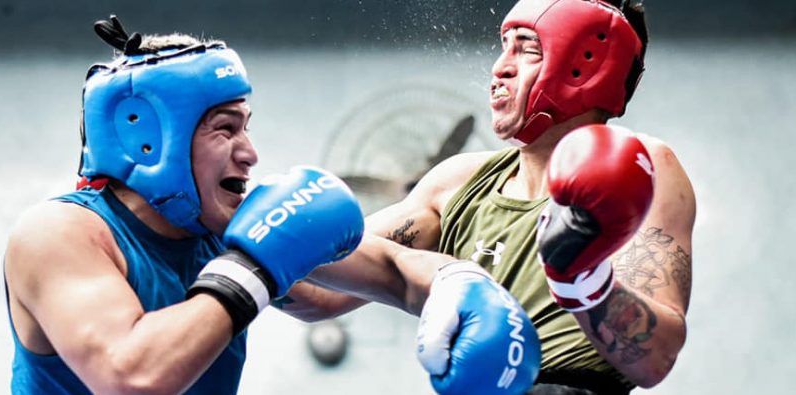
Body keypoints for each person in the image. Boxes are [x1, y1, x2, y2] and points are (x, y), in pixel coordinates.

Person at [281, 0, 695, 394]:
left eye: (527, 48)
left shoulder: (644, 168)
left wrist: (583, 280)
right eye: (504, 47)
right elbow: (317, 291)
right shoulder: (457, 181)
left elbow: (654, 359)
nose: (500, 69)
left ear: (587, 64)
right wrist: (234, 231)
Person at [2, 16, 368, 394]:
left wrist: (434, 207)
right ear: (147, 138)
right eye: (225, 128)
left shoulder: (220, 231)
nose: (250, 154)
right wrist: (248, 270)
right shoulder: (58, 233)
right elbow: (131, 377)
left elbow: (334, 292)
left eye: (246, 128)